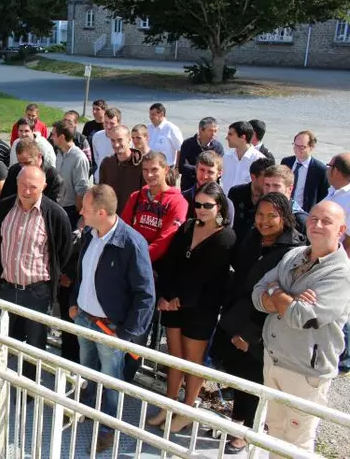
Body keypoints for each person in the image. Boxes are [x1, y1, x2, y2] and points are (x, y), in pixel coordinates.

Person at [253, 201, 350, 456]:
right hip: (274, 359)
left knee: (297, 443)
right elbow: (257, 293)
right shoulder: (294, 255)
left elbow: (301, 317)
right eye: (313, 218)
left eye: (326, 221)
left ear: (341, 230)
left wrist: (276, 290)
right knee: (274, 431)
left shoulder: (341, 274)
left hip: (306, 371)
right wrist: (282, 295)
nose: (317, 225)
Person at [215, 192, 305, 454]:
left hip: (261, 329)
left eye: (272, 216)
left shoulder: (292, 251)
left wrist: (249, 333)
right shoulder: (253, 238)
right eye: (260, 214)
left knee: (254, 379)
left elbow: (277, 297)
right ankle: (237, 422)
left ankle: (249, 432)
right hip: (237, 317)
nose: (264, 221)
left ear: (285, 218)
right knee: (240, 376)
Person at [69, 184, 155, 452]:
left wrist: (126, 334)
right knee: (87, 369)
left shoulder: (132, 243)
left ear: (102, 212)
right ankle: (86, 408)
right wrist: (74, 303)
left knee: (111, 379)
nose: (80, 211)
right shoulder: (90, 234)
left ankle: (108, 426)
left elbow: (145, 295)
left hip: (110, 329)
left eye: (85, 208)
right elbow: (82, 273)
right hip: (84, 319)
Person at [147, 182, 236, 431]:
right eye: (197, 204)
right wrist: (166, 296)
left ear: (219, 207)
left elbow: (207, 275)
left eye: (207, 205)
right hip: (173, 303)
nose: (201, 209)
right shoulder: (187, 226)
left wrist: (178, 300)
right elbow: (171, 263)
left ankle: (187, 409)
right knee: (175, 358)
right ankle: (169, 404)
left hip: (201, 308)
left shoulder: (226, 236)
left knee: (192, 360)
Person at [0, 166, 73, 379]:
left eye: (33, 187)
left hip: (37, 292)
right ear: (16, 183)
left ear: (44, 187)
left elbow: (63, 252)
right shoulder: (5, 208)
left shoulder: (55, 214)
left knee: (35, 346)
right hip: (7, 288)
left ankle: (28, 388)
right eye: (23, 185)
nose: (27, 191)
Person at [121, 151, 188, 265]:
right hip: (130, 258)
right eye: (145, 170)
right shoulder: (135, 196)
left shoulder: (178, 201)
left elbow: (166, 238)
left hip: (158, 264)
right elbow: (123, 228)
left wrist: (139, 258)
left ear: (166, 170)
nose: (149, 175)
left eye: (154, 170)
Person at [323, 153, 350, 377]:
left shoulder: (348, 198)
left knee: (341, 310)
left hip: (337, 262)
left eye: (329, 166)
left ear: (337, 171)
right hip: (325, 258)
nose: (327, 168)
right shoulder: (334, 192)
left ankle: (345, 359)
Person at [98, 125, 144, 215]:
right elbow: (102, 191)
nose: (116, 144)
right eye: (113, 140)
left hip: (133, 219)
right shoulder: (107, 163)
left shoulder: (142, 165)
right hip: (111, 218)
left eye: (120, 140)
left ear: (129, 139)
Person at [52, 119, 89, 227]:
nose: (51, 137)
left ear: (62, 137)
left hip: (71, 211)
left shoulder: (79, 158)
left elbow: (81, 190)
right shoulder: (59, 153)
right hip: (58, 206)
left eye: (53, 134)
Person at [280, 130, 329, 213]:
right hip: (284, 210)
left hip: (305, 214)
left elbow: (323, 197)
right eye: (295, 145)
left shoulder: (320, 170)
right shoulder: (286, 162)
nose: (297, 149)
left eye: (302, 147)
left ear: (311, 147)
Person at [228, 158, 273, 246]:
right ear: (253, 177)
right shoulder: (236, 192)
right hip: (234, 244)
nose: (269, 182)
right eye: (265, 178)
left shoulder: (271, 199)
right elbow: (222, 215)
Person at [182, 151, 235, 225]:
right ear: (196, 168)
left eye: (210, 172)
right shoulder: (182, 199)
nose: (205, 176)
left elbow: (222, 230)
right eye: (202, 170)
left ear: (219, 173)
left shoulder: (225, 204)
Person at [178, 117, 224, 191]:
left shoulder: (218, 146)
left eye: (215, 131)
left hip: (210, 188)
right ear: (201, 130)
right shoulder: (188, 143)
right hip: (188, 187)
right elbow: (182, 167)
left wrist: (197, 169)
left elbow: (219, 170)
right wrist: (208, 170)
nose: (213, 134)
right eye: (210, 130)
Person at [221, 121, 266, 195]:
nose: (226, 138)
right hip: (226, 204)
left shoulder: (259, 160)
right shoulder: (226, 158)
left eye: (230, 134)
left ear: (243, 137)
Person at [262, 164, 309, 234]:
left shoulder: (300, 221)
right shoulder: (260, 212)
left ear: (290, 189)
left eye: (276, 186)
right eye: (267, 185)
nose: (270, 190)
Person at [147, 103, 183, 169]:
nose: (150, 117)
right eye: (150, 114)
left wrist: (177, 168)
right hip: (150, 166)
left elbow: (180, 149)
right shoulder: (149, 128)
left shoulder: (171, 128)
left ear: (161, 114)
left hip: (167, 168)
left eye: (153, 115)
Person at [92, 107, 122, 182]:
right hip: (100, 179)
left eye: (112, 123)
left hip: (118, 181)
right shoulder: (97, 136)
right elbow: (97, 158)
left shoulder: (125, 139)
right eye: (106, 122)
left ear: (119, 123)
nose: (108, 126)